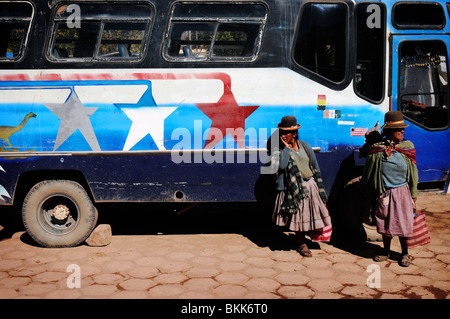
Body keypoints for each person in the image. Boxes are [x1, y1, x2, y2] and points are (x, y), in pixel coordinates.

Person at [361, 111, 418, 267]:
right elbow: (369, 173)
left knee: (404, 224)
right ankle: (385, 251)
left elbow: (413, 172)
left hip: (402, 192)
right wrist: (368, 194)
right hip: (384, 192)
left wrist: (413, 194)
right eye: (398, 129)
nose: (402, 131)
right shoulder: (377, 149)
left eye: (403, 129)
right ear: (387, 131)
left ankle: (405, 253)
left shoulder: (407, 147)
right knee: (385, 223)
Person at [271, 115, 332, 257]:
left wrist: (318, 185)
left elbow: (314, 165)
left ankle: (309, 237)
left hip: (310, 185)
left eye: (287, 133)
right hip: (294, 189)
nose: (284, 135)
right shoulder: (279, 150)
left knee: (310, 215)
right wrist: (286, 149)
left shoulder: (305, 146)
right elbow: (281, 166)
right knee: (299, 217)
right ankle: (302, 244)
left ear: (294, 134)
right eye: (282, 133)